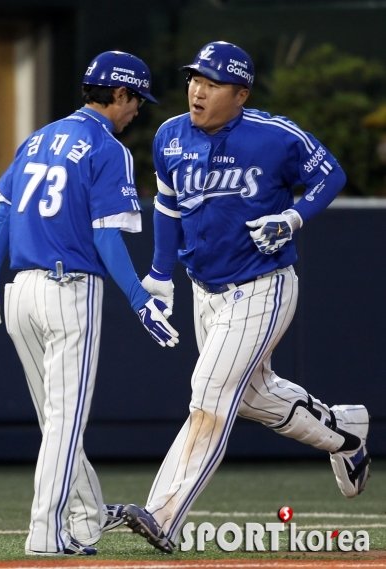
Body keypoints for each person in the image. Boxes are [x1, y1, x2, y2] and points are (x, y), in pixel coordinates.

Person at [118, 41, 371, 554]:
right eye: (195, 79)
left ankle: (163, 514)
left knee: (210, 393)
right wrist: (160, 274)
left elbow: (331, 174)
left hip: (263, 285)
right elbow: (167, 206)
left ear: (241, 94)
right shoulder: (170, 135)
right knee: (252, 396)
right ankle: (346, 434)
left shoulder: (274, 136)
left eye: (212, 83)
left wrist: (293, 217)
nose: (197, 90)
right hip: (204, 291)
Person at [0, 50, 179, 557]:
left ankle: (85, 516)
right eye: (136, 100)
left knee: (54, 419)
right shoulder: (107, 148)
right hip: (68, 292)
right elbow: (106, 238)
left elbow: (2, 216)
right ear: (119, 93)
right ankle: (45, 532)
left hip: (19, 293)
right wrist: (139, 301)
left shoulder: (37, 138)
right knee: (66, 420)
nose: (137, 110)